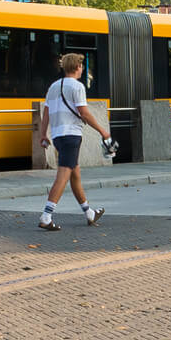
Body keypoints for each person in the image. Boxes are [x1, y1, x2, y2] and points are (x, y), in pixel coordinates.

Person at [36, 52, 112, 231]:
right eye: (82, 66)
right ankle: (46, 215)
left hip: (58, 136)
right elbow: (84, 113)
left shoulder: (53, 87)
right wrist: (103, 131)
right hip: (71, 135)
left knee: (75, 174)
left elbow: (46, 112)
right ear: (77, 67)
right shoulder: (77, 87)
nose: (82, 69)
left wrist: (43, 134)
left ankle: (89, 213)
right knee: (63, 176)